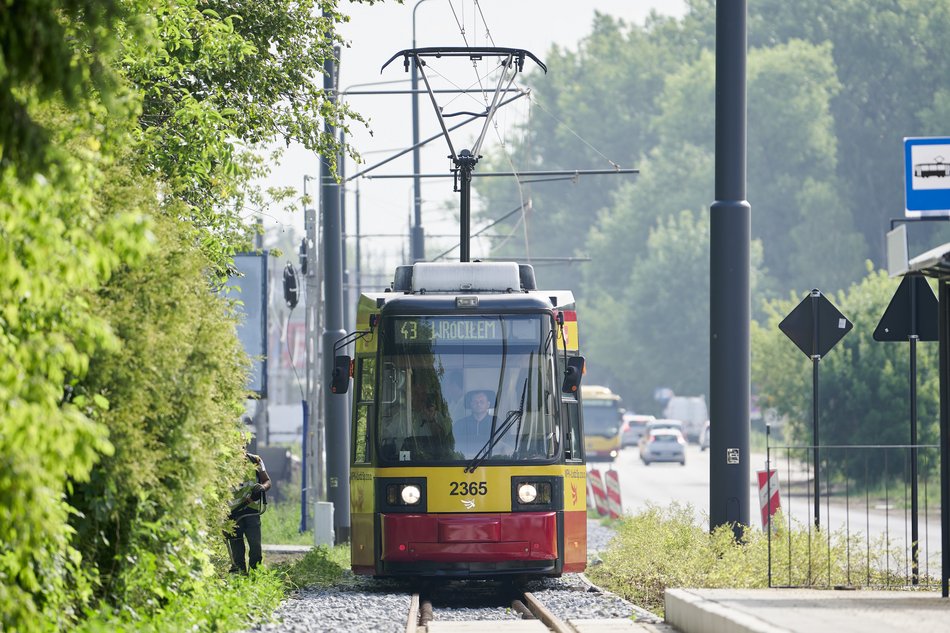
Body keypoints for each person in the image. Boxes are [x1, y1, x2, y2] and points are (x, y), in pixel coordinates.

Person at [225, 449, 271, 573]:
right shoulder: (224, 462)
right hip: (232, 512)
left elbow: (267, 481)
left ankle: (256, 574)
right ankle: (240, 576)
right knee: (237, 547)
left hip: (252, 510)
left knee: (255, 545)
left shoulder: (255, 460)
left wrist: (262, 487)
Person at [451, 390, 494, 457]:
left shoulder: (496, 423)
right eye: (475, 402)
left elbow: (503, 446)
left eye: (481, 402)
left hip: (492, 462)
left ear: (488, 404)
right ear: (470, 404)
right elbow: (453, 446)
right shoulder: (460, 424)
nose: (478, 404)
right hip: (462, 462)